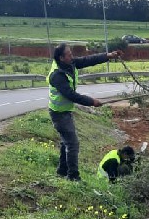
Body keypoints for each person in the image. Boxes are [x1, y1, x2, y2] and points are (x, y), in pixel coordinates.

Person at [47, 42, 121, 181]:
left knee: (66, 142)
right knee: (72, 144)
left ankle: (62, 170)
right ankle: (73, 177)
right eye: (69, 54)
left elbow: (88, 60)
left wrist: (108, 56)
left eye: (71, 53)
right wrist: (91, 102)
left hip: (64, 111)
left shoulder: (70, 63)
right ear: (61, 58)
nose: (72, 56)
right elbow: (71, 95)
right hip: (58, 114)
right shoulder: (57, 75)